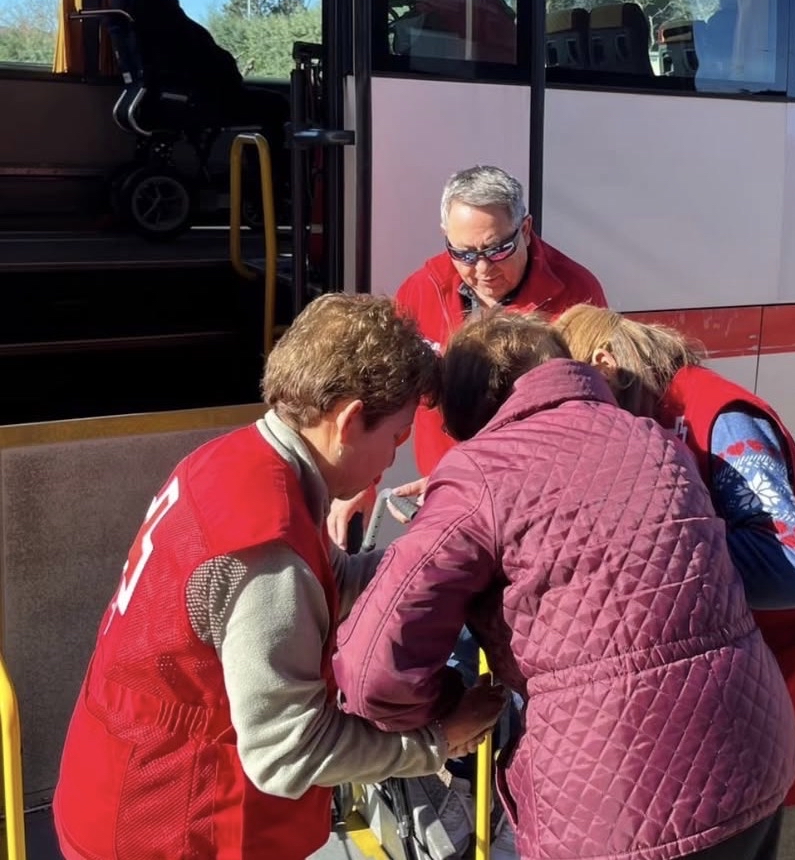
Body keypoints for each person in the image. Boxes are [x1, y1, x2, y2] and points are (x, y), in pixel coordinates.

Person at [53, 294, 507, 860]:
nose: (392, 463)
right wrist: (435, 743)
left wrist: (442, 564)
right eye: (394, 438)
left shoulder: (235, 460)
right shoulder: (268, 555)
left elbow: (333, 579)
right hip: (175, 825)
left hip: (115, 780)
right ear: (347, 421)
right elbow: (286, 754)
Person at [334, 309, 795, 860]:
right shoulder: (652, 438)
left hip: (618, 803)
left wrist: (449, 712)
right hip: (755, 755)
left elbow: (373, 671)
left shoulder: (477, 472)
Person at [554, 305, 795, 860]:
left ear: (604, 364)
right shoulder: (646, 414)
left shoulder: (719, 415)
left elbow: (793, 569)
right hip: (751, 710)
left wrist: (651, 544)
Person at [326, 163, 606, 547]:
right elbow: (387, 391)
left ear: (526, 229)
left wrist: (480, 481)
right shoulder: (422, 288)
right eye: (465, 253)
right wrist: (361, 480)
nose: (482, 269)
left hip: (534, 507)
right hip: (446, 497)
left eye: (499, 249)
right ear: (446, 238)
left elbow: (591, 420)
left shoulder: (576, 292)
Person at [113, 0, 290, 183]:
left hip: (153, 93)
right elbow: (187, 52)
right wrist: (227, 72)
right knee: (277, 106)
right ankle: (269, 184)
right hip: (184, 96)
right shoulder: (150, 1)